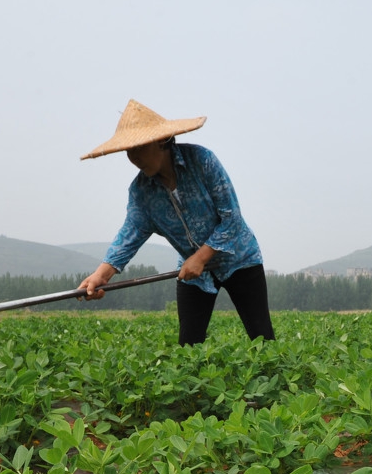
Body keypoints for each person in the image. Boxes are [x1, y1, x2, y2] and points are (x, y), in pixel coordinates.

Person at [77, 100, 275, 345]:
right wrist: (101, 275)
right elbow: (130, 234)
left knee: (263, 339)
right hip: (193, 272)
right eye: (128, 150)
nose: (134, 157)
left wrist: (201, 257)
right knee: (188, 348)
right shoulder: (141, 192)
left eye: (139, 147)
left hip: (240, 258)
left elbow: (231, 219)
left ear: (162, 140)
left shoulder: (202, 161)